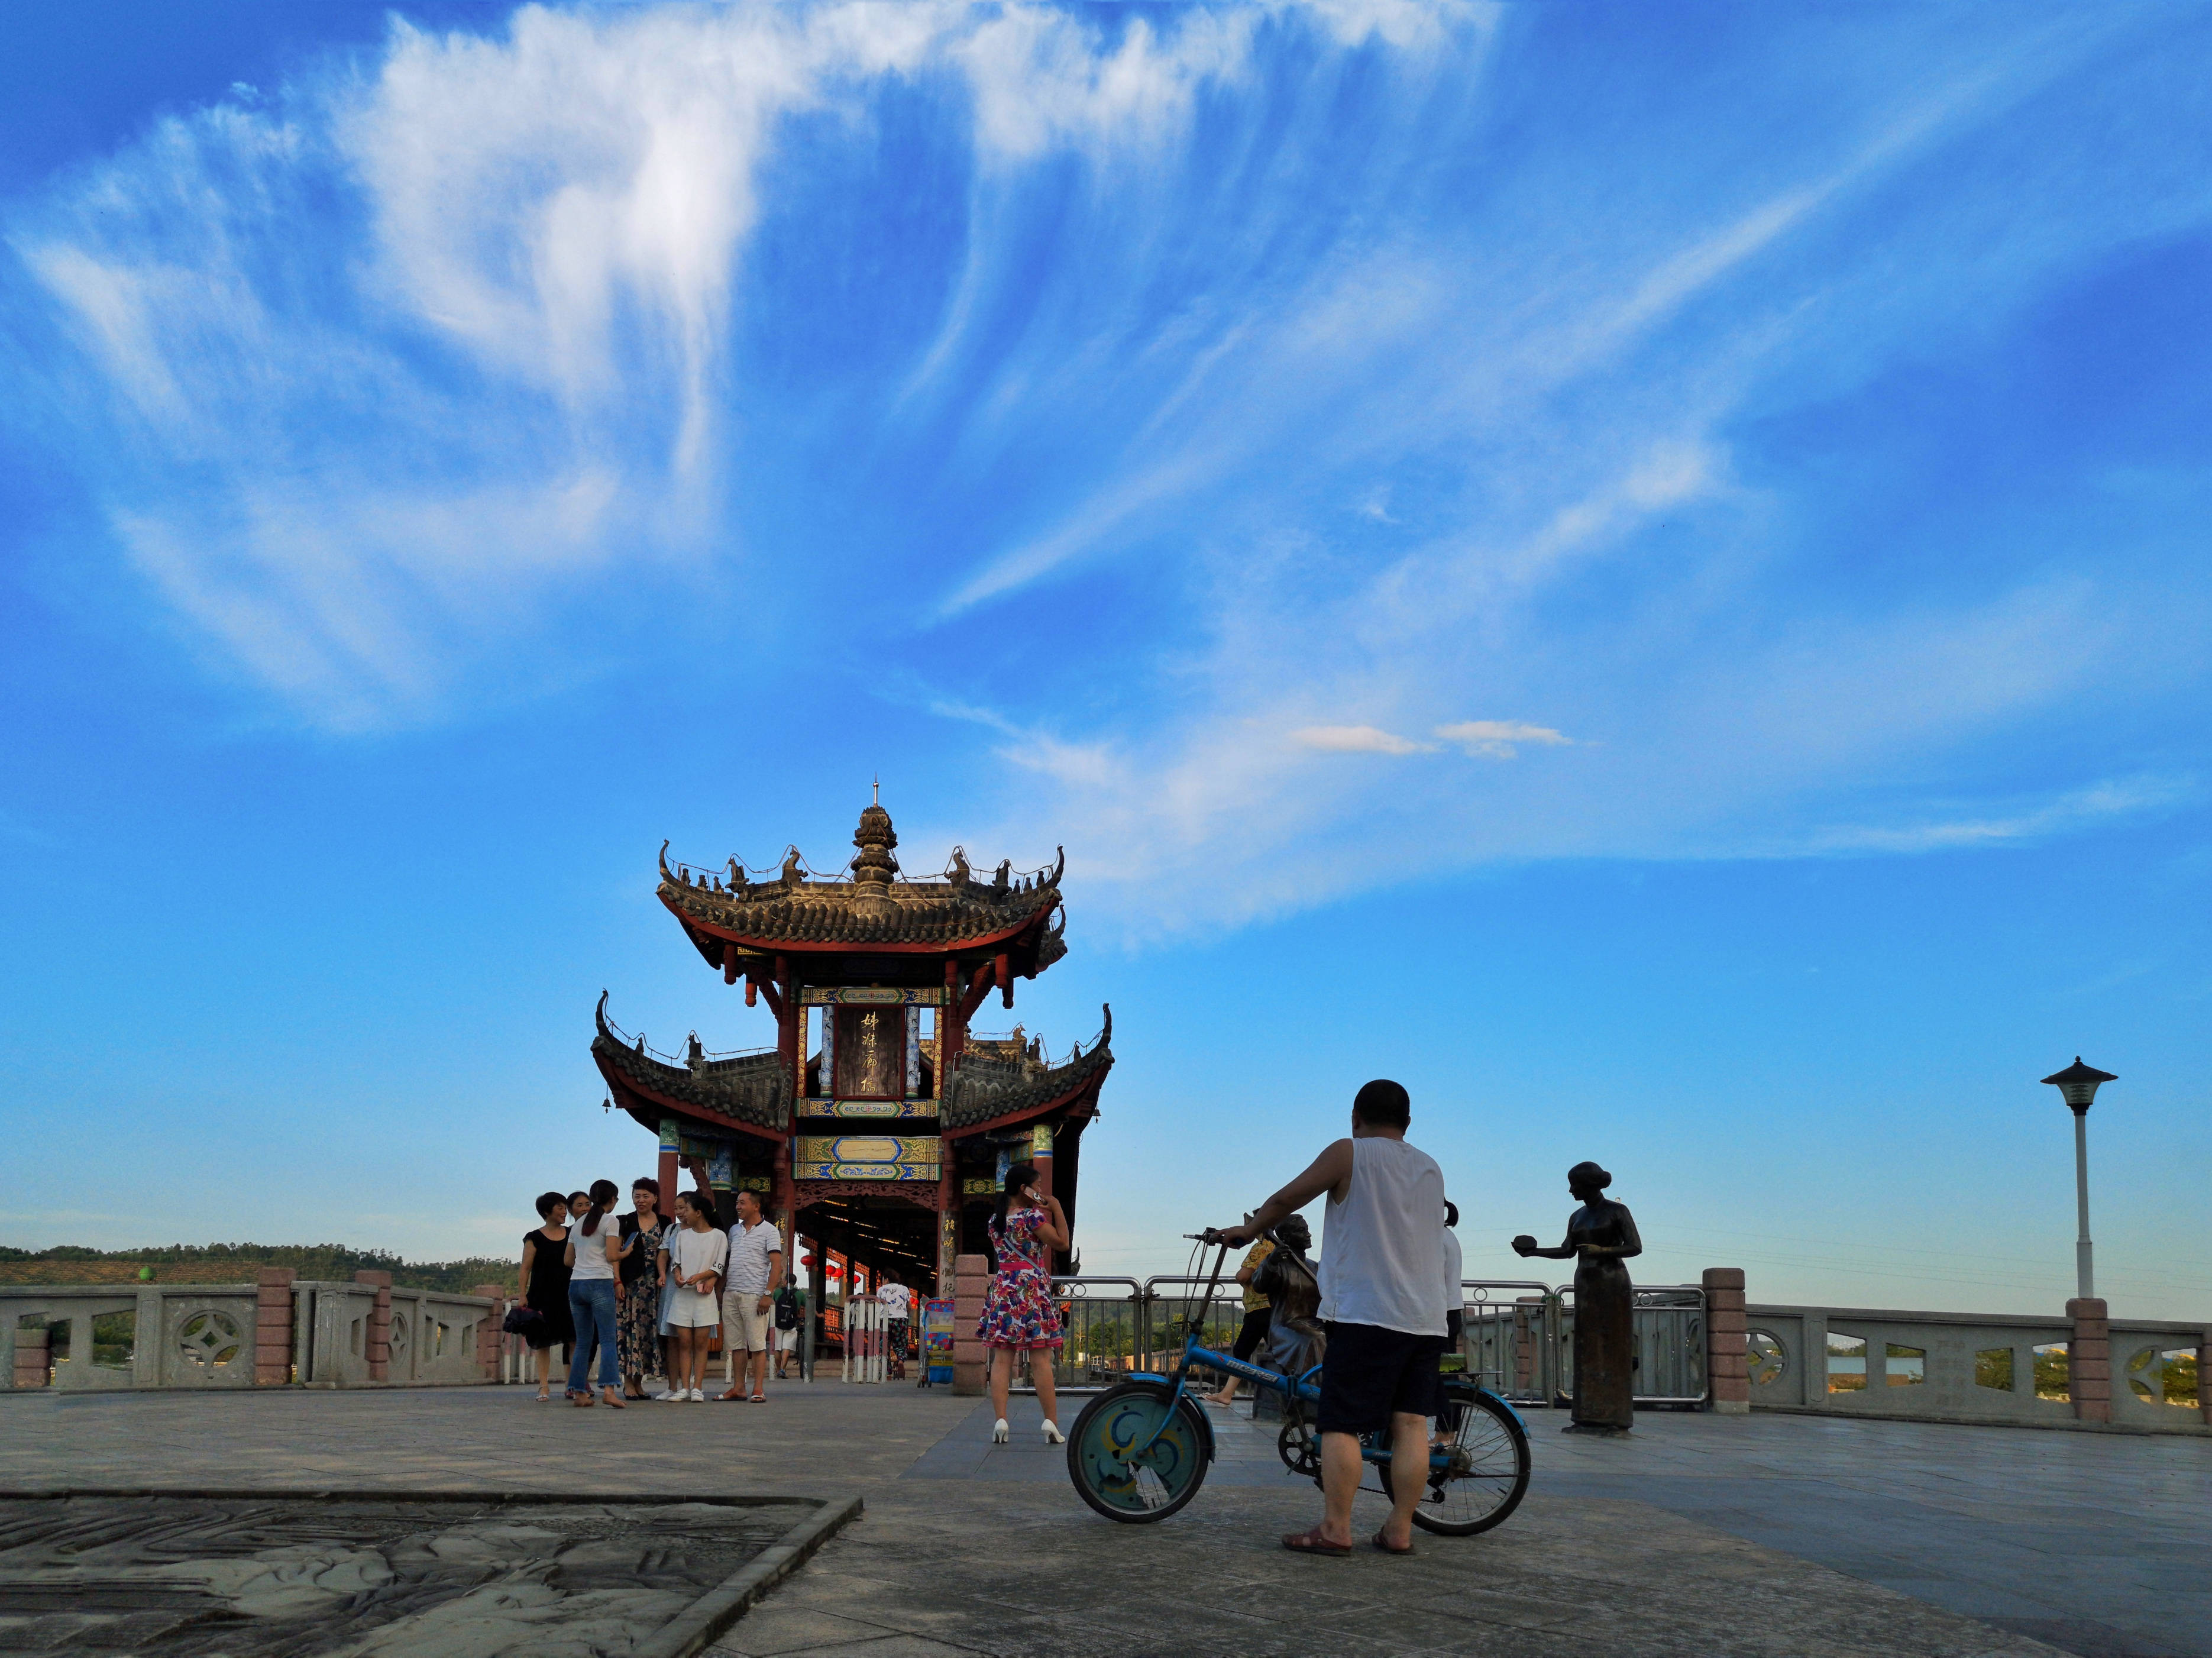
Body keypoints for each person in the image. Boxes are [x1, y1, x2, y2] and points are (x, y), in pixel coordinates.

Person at [1220, 1078, 1447, 1558]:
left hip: (1367, 1312)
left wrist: (1248, 1229)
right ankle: (1399, 1529)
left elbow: (1287, 1200)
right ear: (1407, 1123)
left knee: (1339, 1422)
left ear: (1355, 1116)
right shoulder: (1431, 1167)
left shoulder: (1351, 1152)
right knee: (1410, 1424)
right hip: (1425, 1317)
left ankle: (1336, 1527)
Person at [1514, 1161, 1642, 1433]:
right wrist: (1533, 1252)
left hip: (1612, 1283)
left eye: (1576, 1184)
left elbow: (1635, 1247)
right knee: (1586, 1348)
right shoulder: (1577, 1216)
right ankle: (1587, 1417)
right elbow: (1567, 1251)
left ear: (1591, 1184)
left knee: (1612, 1349)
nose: (1571, 1190)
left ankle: (1615, 1419)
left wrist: (1603, 1250)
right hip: (1585, 1282)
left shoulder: (1617, 1211)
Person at [976, 1161, 1068, 1444]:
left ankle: (1001, 1421)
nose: (1041, 1191)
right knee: (1041, 1360)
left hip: (1004, 1287)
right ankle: (1051, 1423)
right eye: (1037, 1186)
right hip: (1031, 1287)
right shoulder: (1032, 1218)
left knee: (1002, 1359)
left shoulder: (995, 1220)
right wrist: (1055, 1207)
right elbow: (1063, 1243)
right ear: (1024, 1188)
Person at [716, 1188, 786, 1403]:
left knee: (756, 1344)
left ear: (756, 1206)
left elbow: (776, 1265)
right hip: (732, 1292)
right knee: (736, 1344)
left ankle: (758, 1388)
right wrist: (721, 1289)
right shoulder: (734, 1231)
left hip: (755, 1294)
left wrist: (768, 1293)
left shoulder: (770, 1231)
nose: (738, 1206)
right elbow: (727, 1261)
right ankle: (739, 1388)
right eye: (737, 1202)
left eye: (743, 1203)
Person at [1203, 1216, 1276, 1408]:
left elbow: (1243, 1275)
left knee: (1244, 1352)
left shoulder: (1262, 1247)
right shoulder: (1275, 1246)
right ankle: (1227, 1393)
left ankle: (1285, 1400)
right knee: (1249, 1352)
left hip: (1259, 1307)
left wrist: (1239, 1275)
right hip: (1267, 1307)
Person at [564, 1178, 625, 1408]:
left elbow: (568, 1260)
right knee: (608, 1339)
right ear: (612, 1199)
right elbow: (611, 1256)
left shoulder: (577, 1225)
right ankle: (609, 1391)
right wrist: (626, 1251)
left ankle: (580, 1394)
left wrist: (585, 1264)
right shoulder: (610, 1220)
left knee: (582, 1342)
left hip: (577, 1284)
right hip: (600, 1282)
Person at [664, 1190, 727, 1401]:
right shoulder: (682, 1235)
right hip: (683, 1295)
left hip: (703, 1296)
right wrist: (679, 1275)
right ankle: (684, 1387)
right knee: (683, 1342)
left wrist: (701, 1276)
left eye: (687, 1210)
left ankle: (698, 1387)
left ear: (698, 1212)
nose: (683, 1214)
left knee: (701, 1343)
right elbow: (676, 1262)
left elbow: (719, 1266)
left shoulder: (719, 1236)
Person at [518, 1192, 576, 1402]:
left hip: (569, 1294)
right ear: (546, 1212)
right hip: (541, 1296)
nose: (564, 1212)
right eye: (559, 1208)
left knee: (573, 1339)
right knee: (542, 1342)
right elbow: (525, 1269)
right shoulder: (534, 1238)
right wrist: (522, 1294)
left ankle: (572, 1384)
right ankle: (544, 1386)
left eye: (565, 1207)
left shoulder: (572, 1234)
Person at [615, 1178, 668, 1400]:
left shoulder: (665, 1222)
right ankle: (628, 1383)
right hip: (630, 1285)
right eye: (637, 1196)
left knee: (648, 1334)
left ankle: (639, 1382)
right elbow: (615, 1255)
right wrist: (617, 1281)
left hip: (654, 1286)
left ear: (655, 1198)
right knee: (629, 1331)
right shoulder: (625, 1221)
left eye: (646, 1196)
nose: (641, 1200)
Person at [878, 1272, 911, 1381]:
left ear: (887, 1279)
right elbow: (909, 1306)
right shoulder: (905, 1289)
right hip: (901, 1319)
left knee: (884, 1346)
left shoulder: (882, 1290)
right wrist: (906, 1317)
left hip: (885, 1319)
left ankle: (887, 1373)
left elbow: (878, 1305)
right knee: (901, 1343)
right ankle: (901, 1361)